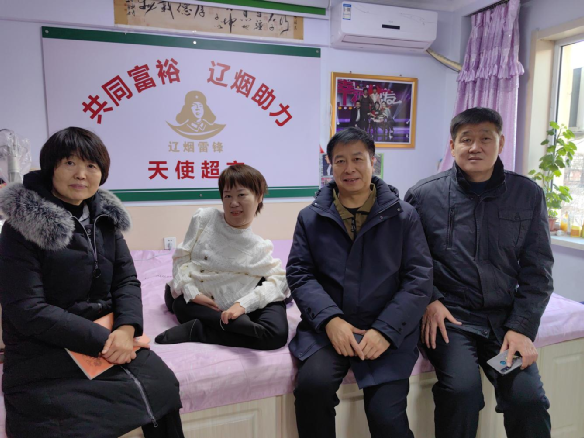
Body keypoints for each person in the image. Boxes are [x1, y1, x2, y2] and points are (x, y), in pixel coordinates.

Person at [0, 127, 184, 438]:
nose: (81, 174)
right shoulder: (21, 228)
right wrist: (105, 341)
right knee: (68, 420)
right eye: (70, 163)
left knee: (162, 388)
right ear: (51, 168)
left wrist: (127, 329)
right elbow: (27, 309)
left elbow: (127, 280)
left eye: (91, 165)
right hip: (45, 347)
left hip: (110, 335)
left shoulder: (105, 219)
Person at [405, 107, 553, 439]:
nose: (475, 147)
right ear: (452, 145)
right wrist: (430, 299)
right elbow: (409, 259)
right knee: (462, 392)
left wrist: (521, 328)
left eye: (485, 138)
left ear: (501, 143)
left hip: (503, 324)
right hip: (451, 320)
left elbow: (538, 271)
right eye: (466, 139)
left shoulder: (527, 195)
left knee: (527, 399)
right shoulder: (424, 195)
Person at [287, 127, 433, 438]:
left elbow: (418, 278)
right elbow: (300, 274)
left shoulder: (403, 216)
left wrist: (386, 330)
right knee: (312, 389)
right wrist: (330, 320)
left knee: (386, 416)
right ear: (331, 166)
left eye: (357, 159)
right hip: (329, 329)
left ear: (373, 162)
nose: (349, 168)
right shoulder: (310, 217)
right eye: (340, 161)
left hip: (386, 328)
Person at [155, 164, 289, 351]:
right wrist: (192, 292)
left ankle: (199, 330)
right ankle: (232, 324)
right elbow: (181, 258)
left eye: (241, 195)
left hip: (241, 294)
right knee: (178, 302)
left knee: (276, 335)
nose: (233, 203)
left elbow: (281, 280)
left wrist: (243, 304)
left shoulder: (258, 247)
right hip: (201, 296)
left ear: (259, 197)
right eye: (227, 196)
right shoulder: (205, 218)